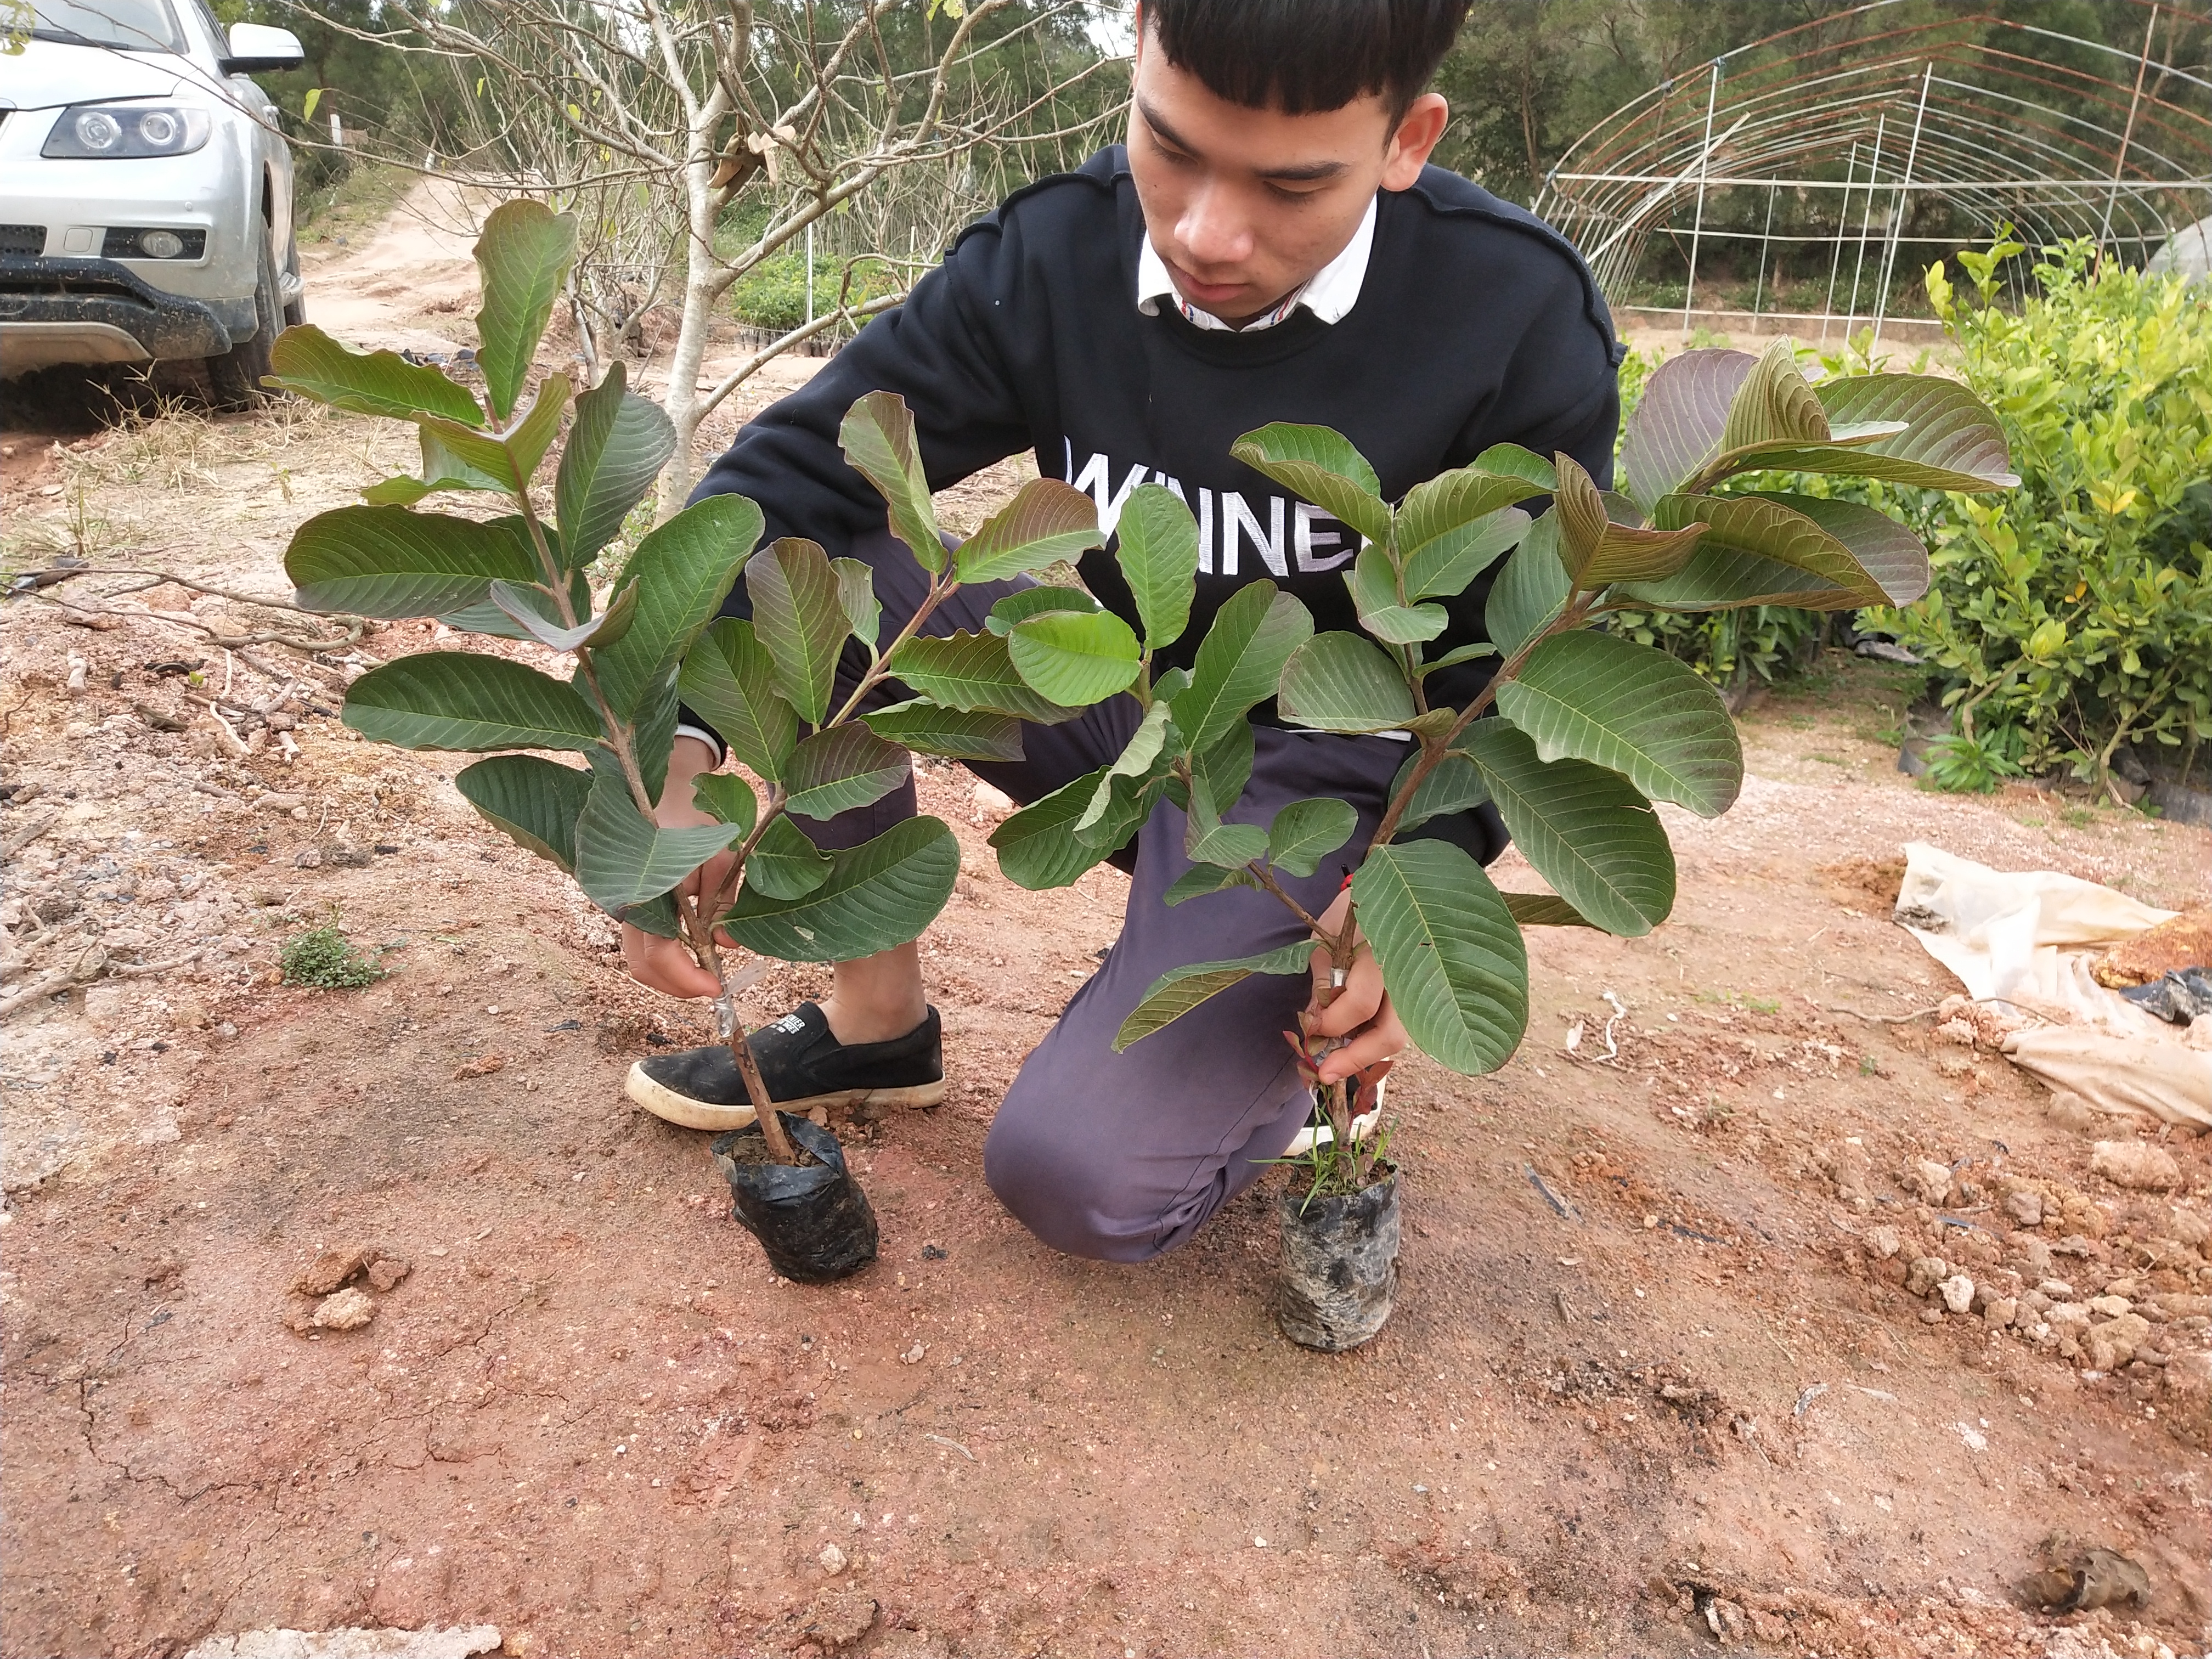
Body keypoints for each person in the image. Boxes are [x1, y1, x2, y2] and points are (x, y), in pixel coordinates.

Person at [622, 0, 1621, 1263]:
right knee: (831, 574)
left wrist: (1416, 897)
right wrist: (688, 739)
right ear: (1138, 47)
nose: (1207, 232)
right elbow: (790, 477)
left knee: (1077, 1179)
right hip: (1127, 704)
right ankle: (879, 1025)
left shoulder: (1512, 314)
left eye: (1291, 186)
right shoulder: (1052, 256)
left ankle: (1279, 1059)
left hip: (1321, 783)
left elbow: (1523, 669)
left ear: (1406, 140)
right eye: (1170, 144)